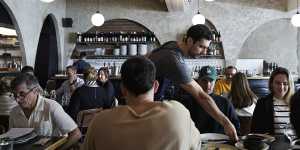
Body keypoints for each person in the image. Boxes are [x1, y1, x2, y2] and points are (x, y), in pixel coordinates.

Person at [82, 57, 201, 150]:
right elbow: (196, 145)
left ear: (123, 89)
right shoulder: (178, 113)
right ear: (155, 86)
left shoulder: (100, 122)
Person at [149, 24, 238, 140]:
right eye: (201, 46)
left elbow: (148, 57)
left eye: (206, 48)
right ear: (190, 41)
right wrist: (226, 122)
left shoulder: (171, 45)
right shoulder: (174, 60)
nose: (204, 52)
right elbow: (202, 96)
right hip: (150, 112)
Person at [9, 73, 81, 150]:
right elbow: (11, 140)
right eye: (14, 95)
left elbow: (76, 134)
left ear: (35, 91)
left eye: (22, 94)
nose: (17, 100)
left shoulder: (51, 107)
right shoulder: (14, 112)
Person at [190, 66, 240, 134]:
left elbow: (236, 125)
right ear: (198, 81)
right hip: (196, 142)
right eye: (204, 80)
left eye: (211, 81)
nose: (208, 85)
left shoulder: (225, 102)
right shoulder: (189, 101)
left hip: (221, 142)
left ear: (215, 81)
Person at [251, 67, 295, 135]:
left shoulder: (296, 102)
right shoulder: (262, 103)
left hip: (294, 144)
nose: (281, 87)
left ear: (289, 85)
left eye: (285, 83)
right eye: (277, 83)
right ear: (271, 84)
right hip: (272, 144)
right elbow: (254, 130)